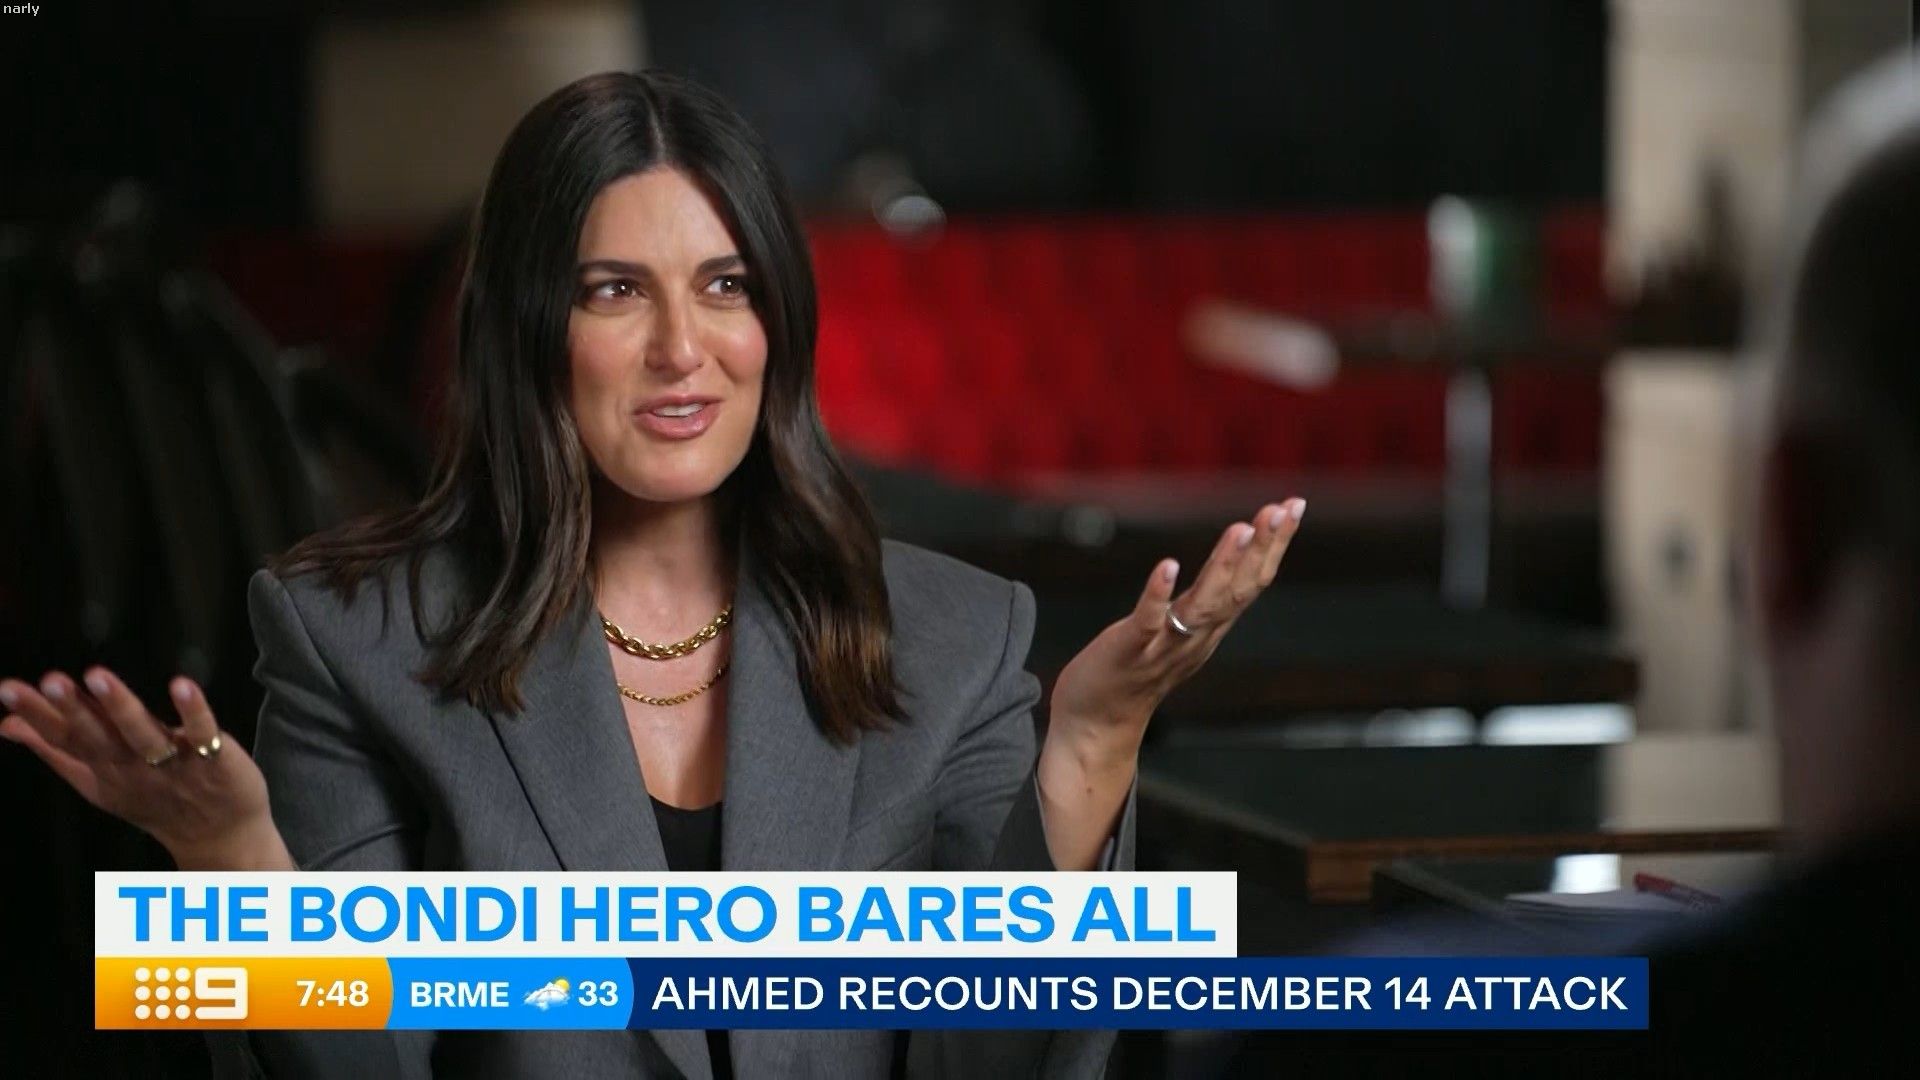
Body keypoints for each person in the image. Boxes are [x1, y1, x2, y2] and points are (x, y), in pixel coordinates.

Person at [0, 71, 1305, 1078]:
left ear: (776, 319)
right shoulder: (358, 640)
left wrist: (1091, 744)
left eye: (725, 285)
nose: (684, 347)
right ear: (530, 329)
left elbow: (997, 1063)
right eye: (615, 292)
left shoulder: (956, 635)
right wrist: (235, 860)